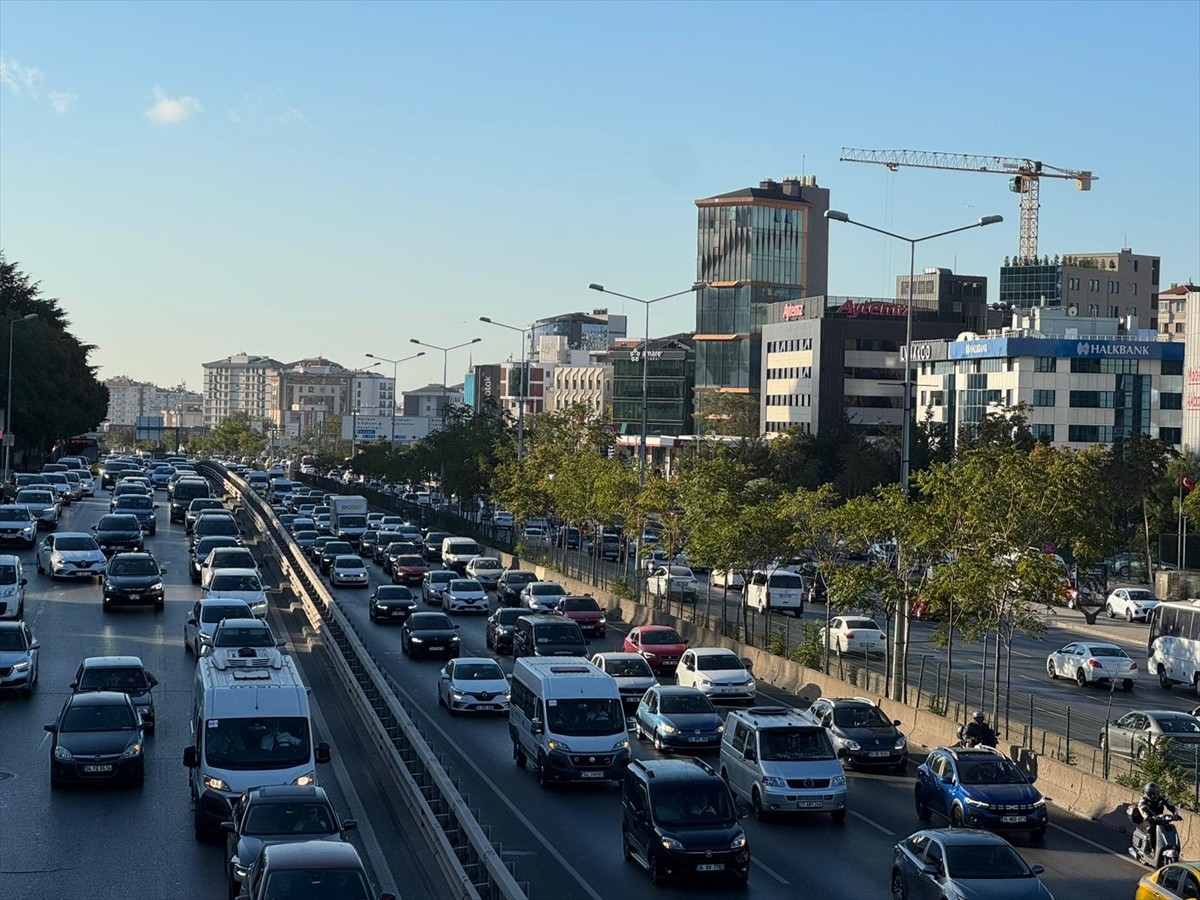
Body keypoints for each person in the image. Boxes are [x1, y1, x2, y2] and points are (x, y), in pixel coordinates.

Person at [1137, 782, 1177, 853]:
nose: (1153, 796)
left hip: (1160, 818)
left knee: (1167, 828)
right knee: (1151, 829)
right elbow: (1141, 807)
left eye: (1155, 793)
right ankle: (1151, 848)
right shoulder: (1143, 799)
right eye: (1151, 794)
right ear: (1146, 793)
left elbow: (1170, 805)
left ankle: (1166, 845)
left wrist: (1175, 814)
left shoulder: (1162, 798)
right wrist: (1147, 816)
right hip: (1148, 819)